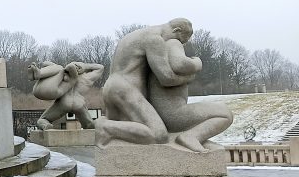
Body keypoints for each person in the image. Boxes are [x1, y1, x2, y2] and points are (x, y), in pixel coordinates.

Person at [97, 18, 232, 151]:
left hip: (112, 87)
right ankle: (105, 127)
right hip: (125, 89)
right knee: (158, 134)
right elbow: (166, 78)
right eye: (180, 40)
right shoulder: (155, 39)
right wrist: (194, 70)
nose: (176, 44)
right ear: (176, 30)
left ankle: (109, 128)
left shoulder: (136, 35)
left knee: (137, 129)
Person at [30, 61, 104, 129]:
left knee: (43, 119)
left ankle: (45, 124)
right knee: (89, 125)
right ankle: (90, 126)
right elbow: (100, 67)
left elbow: (45, 63)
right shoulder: (86, 78)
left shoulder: (64, 76)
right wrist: (85, 67)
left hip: (64, 102)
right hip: (79, 103)